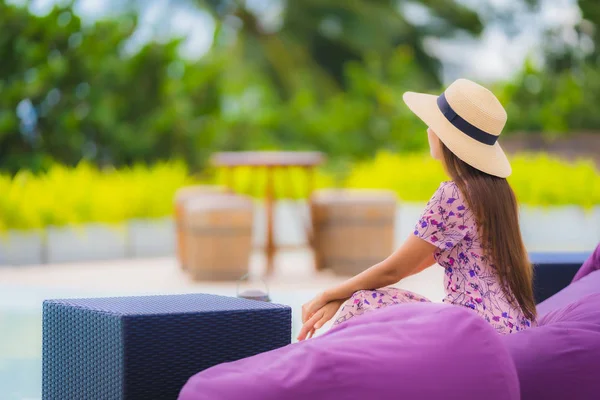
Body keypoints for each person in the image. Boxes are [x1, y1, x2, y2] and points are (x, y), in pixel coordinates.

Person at [298, 78, 536, 340]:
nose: (428, 130)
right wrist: (343, 294)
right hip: (514, 326)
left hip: (473, 330)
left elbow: (394, 270)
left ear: (444, 137)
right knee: (362, 297)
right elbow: (416, 263)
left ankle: (324, 374)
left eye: (432, 123)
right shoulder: (501, 194)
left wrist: (330, 294)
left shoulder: (454, 194)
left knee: (363, 304)